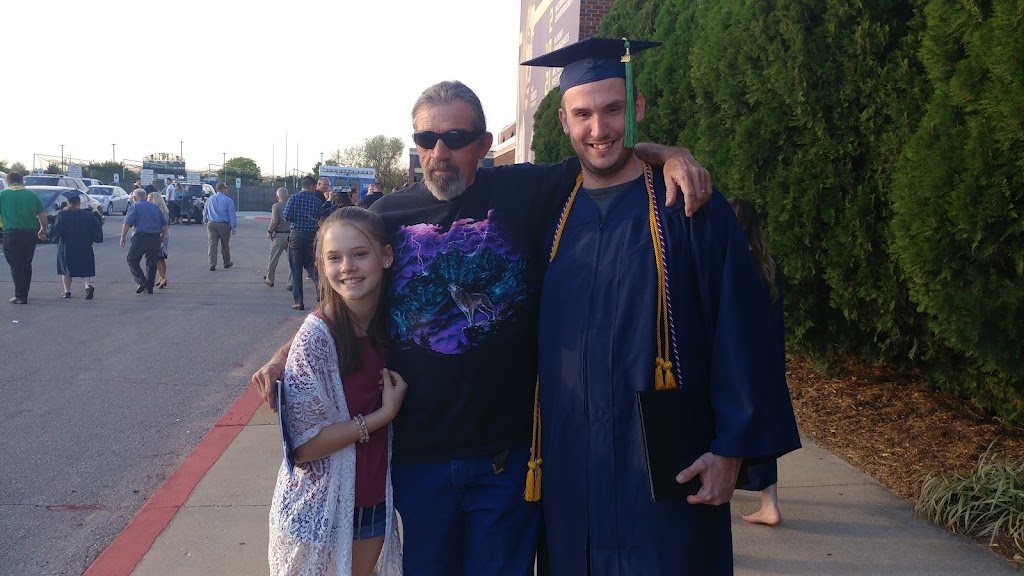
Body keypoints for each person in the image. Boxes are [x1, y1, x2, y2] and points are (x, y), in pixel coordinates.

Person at [253, 79, 712, 576]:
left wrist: (671, 155)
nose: (440, 152)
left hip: (506, 460)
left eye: (456, 137)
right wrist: (284, 355)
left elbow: (600, 149)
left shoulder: (524, 190)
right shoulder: (386, 216)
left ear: (485, 143)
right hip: (417, 460)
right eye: (427, 139)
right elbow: (345, 306)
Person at [522, 38, 801, 574]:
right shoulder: (548, 215)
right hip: (570, 466)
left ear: (638, 107)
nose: (599, 129)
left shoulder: (689, 208)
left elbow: (743, 333)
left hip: (665, 472)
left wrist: (731, 449)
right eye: (583, 114)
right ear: (563, 120)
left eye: (613, 109)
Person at [269, 207, 405, 576]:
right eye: (334, 258)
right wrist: (383, 416)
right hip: (319, 507)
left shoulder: (391, 322)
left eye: (359, 254)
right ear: (320, 265)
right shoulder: (318, 336)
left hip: (371, 502)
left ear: (386, 256)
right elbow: (304, 445)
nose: (347, 267)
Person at [728, 196, 788, 526]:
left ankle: (730, 487)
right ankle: (770, 503)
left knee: (726, 422)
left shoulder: (732, 264)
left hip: (738, 359)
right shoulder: (767, 264)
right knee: (761, 429)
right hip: (765, 360)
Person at [0, 172, 47, 304]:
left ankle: (20, 295)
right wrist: (42, 230)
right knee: (26, 264)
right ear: (22, 181)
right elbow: (42, 215)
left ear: (8, 181)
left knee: (16, 265)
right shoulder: (32, 195)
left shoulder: (2, 195)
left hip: (11, 234)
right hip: (29, 234)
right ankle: (24, 291)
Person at [47, 191, 102, 299]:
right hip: (84, 245)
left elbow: (57, 229)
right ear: (79, 203)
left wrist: (48, 235)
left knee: (66, 269)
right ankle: (88, 286)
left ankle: (67, 292)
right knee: (84, 267)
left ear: (68, 202)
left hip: (67, 246)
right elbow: (96, 229)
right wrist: (93, 239)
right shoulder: (87, 215)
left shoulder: (63, 215)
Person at [283, 176, 323, 311]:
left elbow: (286, 216)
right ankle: (321, 290)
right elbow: (319, 218)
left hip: (297, 235)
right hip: (311, 236)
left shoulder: (293, 198)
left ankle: (298, 302)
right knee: (311, 265)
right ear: (312, 186)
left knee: (296, 269)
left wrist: (297, 218)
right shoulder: (317, 201)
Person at [120, 188, 168, 294]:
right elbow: (165, 225)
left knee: (131, 259)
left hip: (141, 237)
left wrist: (123, 237)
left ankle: (142, 281)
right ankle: (149, 287)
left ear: (134, 198)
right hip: (155, 238)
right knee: (151, 262)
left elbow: (127, 223)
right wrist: (162, 237)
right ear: (145, 196)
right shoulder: (155, 207)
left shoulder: (135, 207)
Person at [203, 182, 237, 271]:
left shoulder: (210, 199)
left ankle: (212, 264)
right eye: (226, 187)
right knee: (225, 244)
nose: (227, 189)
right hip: (223, 224)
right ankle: (226, 262)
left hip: (211, 223)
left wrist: (205, 220)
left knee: (212, 244)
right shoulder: (228, 200)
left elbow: (205, 211)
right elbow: (232, 215)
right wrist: (233, 226)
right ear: (222, 189)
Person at [264, 187, 292, 290]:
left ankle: (270, 279)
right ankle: (291, 283)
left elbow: (275, 221)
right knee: (292, 260)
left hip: (279, 236)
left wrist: (270, 231)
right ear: (287, 196)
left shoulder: (276, 206)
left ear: (277, 196)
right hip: (291, 235)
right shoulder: (292, 205)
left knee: (273, 259)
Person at [148, 192, 171, 288]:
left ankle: (163, 278)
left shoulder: (158, 211)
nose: (149, 200)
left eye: (151, 199)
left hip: (160, 235)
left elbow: (163, 225)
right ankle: (161, 278)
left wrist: (161, 236)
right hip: (164, 235)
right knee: (161, 258)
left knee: (156, 258)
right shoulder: (164, 210)